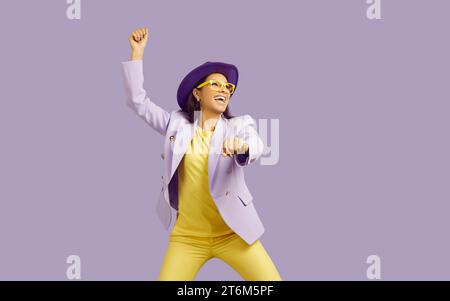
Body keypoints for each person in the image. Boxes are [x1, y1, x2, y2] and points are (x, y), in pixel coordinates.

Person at [121, 27, 282, 281]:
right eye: (215, 84)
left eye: (228, 86)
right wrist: (137, 53)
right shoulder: (176, 124)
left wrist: (243, 147)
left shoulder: (238, 126)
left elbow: (257, 144)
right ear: (197, 92)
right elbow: (138, 102)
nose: (225, 90)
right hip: (188, 238)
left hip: (234, 234)